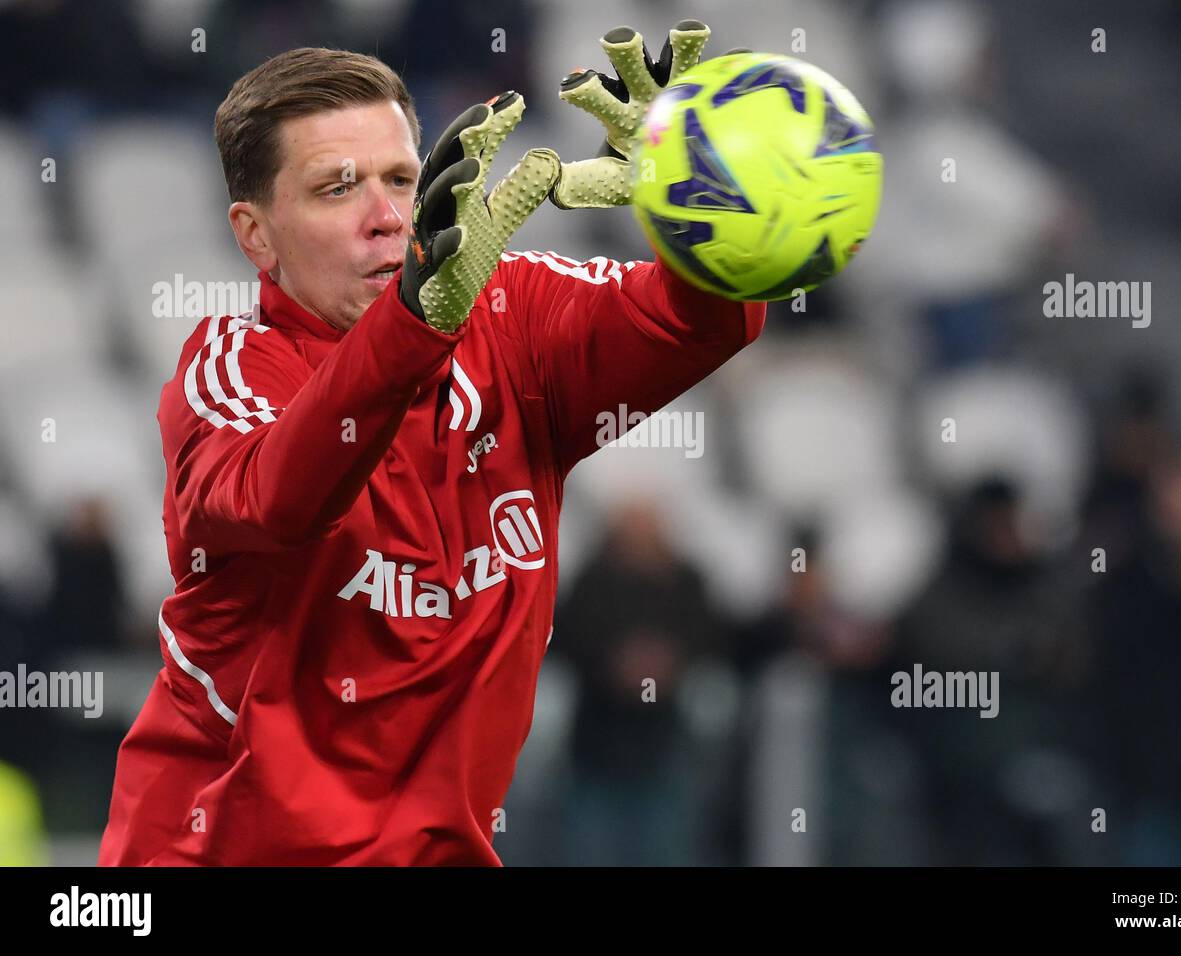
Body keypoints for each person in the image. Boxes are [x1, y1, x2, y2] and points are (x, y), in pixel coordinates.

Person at [99, 22, 766, 866]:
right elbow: (279, 499)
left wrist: (700, 200)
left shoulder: (515, 318)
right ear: (255, 235)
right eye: (337, 188)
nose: (385, 218)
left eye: (402, 179)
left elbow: (703, 323)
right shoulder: (227, 371)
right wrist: (415, 325)